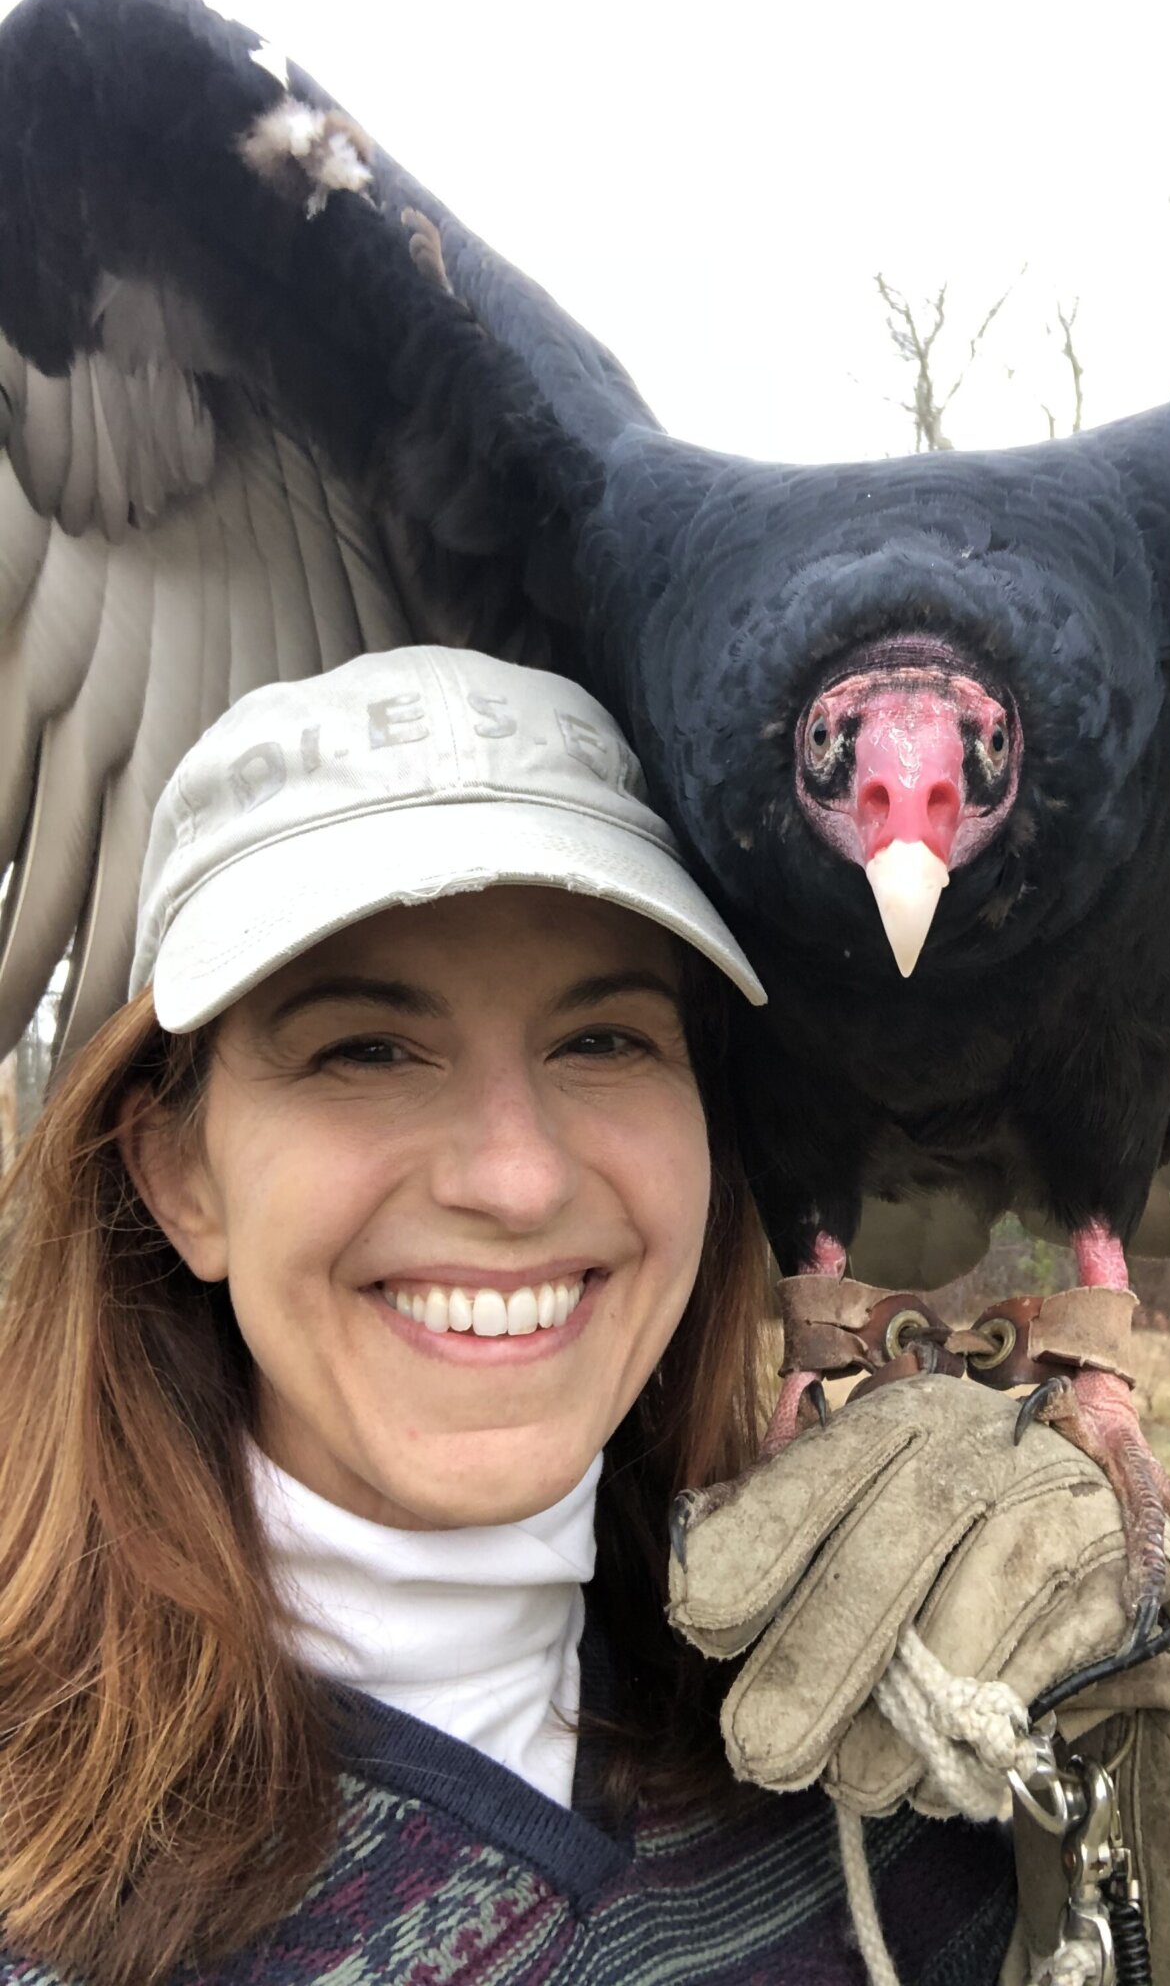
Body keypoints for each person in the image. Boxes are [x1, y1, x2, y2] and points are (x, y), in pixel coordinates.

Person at [0, 646, 1017, 1986]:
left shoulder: (889, 1759)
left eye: (602, 1041)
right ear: (178, 1175)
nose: (518, 1176)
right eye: (366, 1049)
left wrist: (1104, 1821)